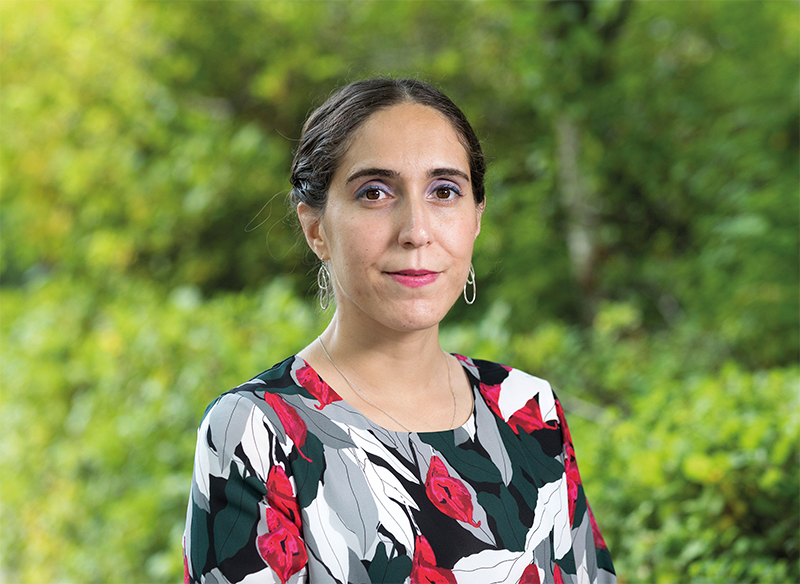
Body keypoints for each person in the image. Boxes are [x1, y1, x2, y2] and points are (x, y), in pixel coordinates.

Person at [183, 78, 616, 584]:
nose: (416, 231)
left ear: (476, 217)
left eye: (444, 192)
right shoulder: (256, 432)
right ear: (315, 227)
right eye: (374, 193)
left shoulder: (528, 409)